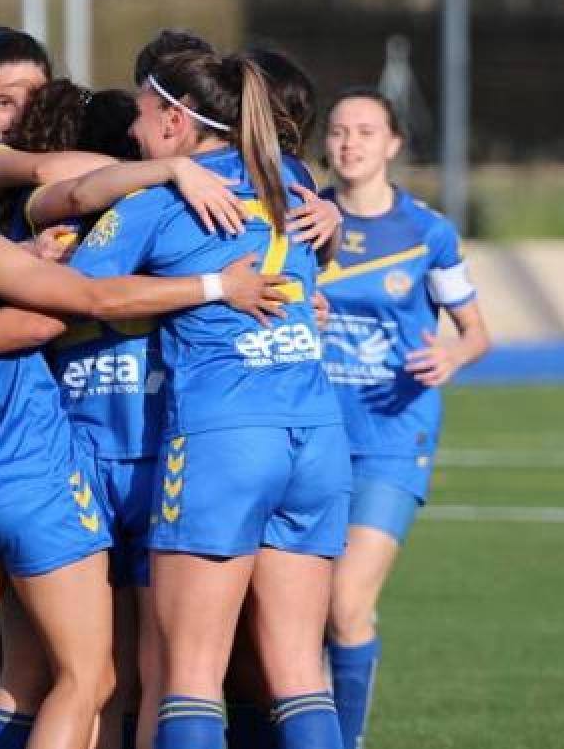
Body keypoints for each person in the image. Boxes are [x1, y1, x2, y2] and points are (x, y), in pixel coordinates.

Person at [0, 116, 288, 749]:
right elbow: (79, 308)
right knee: (86, 678)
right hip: (27, 479)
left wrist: (22, 265)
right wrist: (218, 286)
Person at [66, 51, 353, 749]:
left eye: (139, 112)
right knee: (299, 674)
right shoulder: (292, 181)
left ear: (174, 118)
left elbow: (76, 298)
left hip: (224, 440)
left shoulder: (158, 205)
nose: (133, 130)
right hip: (315, 437)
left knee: (190, 676)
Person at [317, 89, 490, 749]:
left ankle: (346, 740)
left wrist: (454, 349)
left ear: (393, 144)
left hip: (393, 438)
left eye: (364, 131)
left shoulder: (426, 234)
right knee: (296, 615)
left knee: (345, 603)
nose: (349, 143)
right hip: (310, 437)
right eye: (336, 131)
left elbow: (477, 332)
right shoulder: (304, 222)